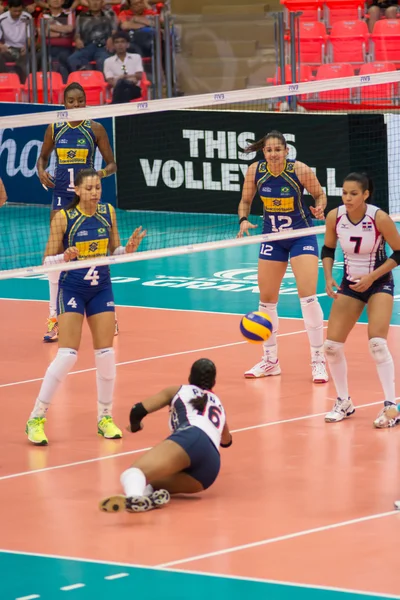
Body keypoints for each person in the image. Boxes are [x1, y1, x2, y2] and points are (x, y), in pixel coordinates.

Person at [25, 168, 146, 446]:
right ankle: (36, 418)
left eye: (98, 188)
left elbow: (113, 252)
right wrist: (63, 257)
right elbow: (46, 261)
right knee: (67, 354)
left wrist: (127, 250)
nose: (94, 193)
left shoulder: (108, 212)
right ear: (77, 190)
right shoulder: (63, 218)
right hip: (73, 289)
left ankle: (104, 418)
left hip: (101, 287)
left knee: (105, 353)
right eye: (89, 189)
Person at [237, 130, 328, 383]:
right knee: (266, 301)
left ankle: (318, 360)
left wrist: (320, 207)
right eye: (269, 150)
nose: (274, 154)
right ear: (263, 152)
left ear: (287, 151)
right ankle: (270, 361)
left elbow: (320, 194)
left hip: (302, 235)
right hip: (272, 237)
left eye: (278, 150)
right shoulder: (255, 171)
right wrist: (243, 219)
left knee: (308, 297)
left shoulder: (299, 169)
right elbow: (245, 201)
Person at [37, 82, 117, 343]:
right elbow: (43, 157)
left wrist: (98, 175)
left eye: (80, 101)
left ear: (85, 102)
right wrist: (41, 171)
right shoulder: (54, 128)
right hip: (61, 199)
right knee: (53, 259)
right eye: (71, 101)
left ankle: (107, 312)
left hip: (87, 199)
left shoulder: (95, 128)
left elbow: (112, 164)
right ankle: (54, 317)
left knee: (98, 250)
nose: (75, 105)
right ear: (64, 103)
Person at [100, 358, 232, 513]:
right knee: (150, 482)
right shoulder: (218, 403)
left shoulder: (178, 390)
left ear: (190, 377)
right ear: (213, 382)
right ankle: (148, 498)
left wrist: (135, 426)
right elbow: (226, 441)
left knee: (133, 473)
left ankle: (133, 499)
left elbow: (138, 410)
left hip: (191, 437)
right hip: (209, 469)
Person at [321, 172, 400, 427]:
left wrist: (372, 276)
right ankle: (343, 401)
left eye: (353, 193)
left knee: (377, 344)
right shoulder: (335, 216)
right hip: (350, 285)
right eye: (344, 192)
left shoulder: (379, 218)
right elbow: (328, 248)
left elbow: (399, 253)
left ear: (366, 194)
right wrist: (328, 275)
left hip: (378, 283)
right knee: (331, 347)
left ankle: (391, 407)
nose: (347, 198)